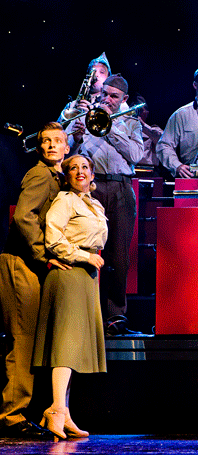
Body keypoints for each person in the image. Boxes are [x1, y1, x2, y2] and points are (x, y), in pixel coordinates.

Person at [0, 122, 69, 439]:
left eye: (57, 140)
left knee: (28, 339)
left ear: (67, 147)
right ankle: (12, 416)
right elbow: (23, 216)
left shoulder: (57, 177)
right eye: (45, 141)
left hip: (29, 264)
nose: (52, 145)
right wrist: (44, 255)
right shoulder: (41, 174)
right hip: (20, 263)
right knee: (22, 339)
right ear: (39, 147)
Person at [33, 154, 108, 439]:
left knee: (73, 348)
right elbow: (53, 238)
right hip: (69, 274)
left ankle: (64, 412)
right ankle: (55, 410)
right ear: (66, 176)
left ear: (92, 175)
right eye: (73, 168)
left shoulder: (93, 204)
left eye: (85, 167)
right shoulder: (65, 200)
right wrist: (82, 256)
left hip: (85, 277)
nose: (80, 171)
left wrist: (89, 259)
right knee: (65, 346)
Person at [69, 74, 144, 335]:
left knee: (119, 256)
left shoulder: (131, 122)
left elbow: (136, 155)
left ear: (123, 99)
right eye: (105, 94)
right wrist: (78, 138)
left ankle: (116, 317)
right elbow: (71, 155)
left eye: (114, 96)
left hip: (122, 187)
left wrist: (109, 128)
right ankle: (86, 312)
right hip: (92, 187)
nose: (108, 100)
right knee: (88, 251)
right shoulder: (85, 116)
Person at [58, 53, 112, 124]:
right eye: (92, 71)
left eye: (101, 72)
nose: (96, 75)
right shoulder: (71, 105)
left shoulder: (110, 105)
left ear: (108, 78)